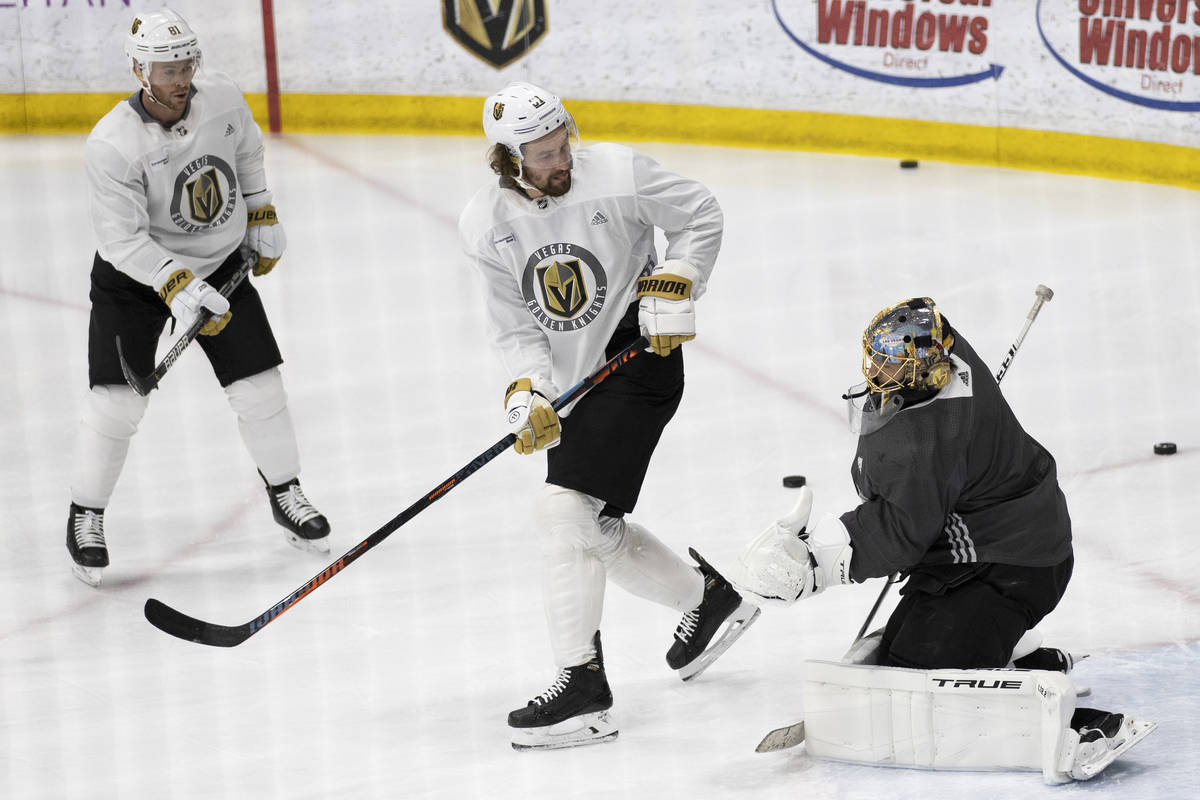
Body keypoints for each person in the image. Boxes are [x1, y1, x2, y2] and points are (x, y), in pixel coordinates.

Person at [733, 297, 1155, 781]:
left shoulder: (923, 438)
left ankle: (1082, 730)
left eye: (894, 361)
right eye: (879, 357)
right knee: (900, 650)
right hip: (990, 546)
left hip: (1012, 562)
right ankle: (1017, 652)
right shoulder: (943, 352)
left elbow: (901, 532)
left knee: (919, 672)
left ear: (925, 368)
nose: (880, 369)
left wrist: (815, 562)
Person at [458, 81, 759, 750]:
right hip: (575, 386)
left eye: (561, 142)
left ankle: (582, 688)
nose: (559, 158)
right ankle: (706, 603)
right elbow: (514, 330)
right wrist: (527, 395)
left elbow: (700, 212)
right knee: (589, 523)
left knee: (564, 515)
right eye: (541, 155)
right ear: (507, 160)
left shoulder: (617, 171)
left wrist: (679, 276)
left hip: (639, 358)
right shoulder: (485, 225)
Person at [66, 8, 330, 587]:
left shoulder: (224, 99)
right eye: (166, 67)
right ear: (140, 69)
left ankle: (285, 491)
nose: (180, 76)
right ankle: (86, 513)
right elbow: (121, 240)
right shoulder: (112, 144)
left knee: (260, 388)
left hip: (221, 266)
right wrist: (178, 286)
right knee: (117, 404)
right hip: (135, 282)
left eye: (186, 61)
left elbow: (248, 153)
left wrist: (260, 211)